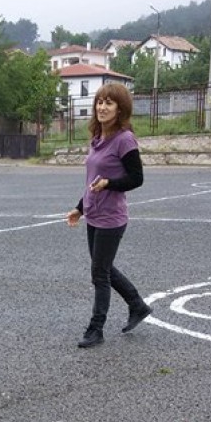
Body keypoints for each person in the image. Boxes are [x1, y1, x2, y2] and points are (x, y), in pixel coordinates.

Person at [66, 83, 152, 348]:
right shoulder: (97, 137)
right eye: (99, 102)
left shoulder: (124, 139)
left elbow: (137, 178)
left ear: (120, 108)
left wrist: (109, 184)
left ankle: (96, 329)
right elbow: (93, 178)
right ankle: (137, 305)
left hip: (111, 218)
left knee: (99, 274)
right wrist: (79, 208)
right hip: (93, 213)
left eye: (109, 103)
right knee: (103, 268)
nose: (102, 107)